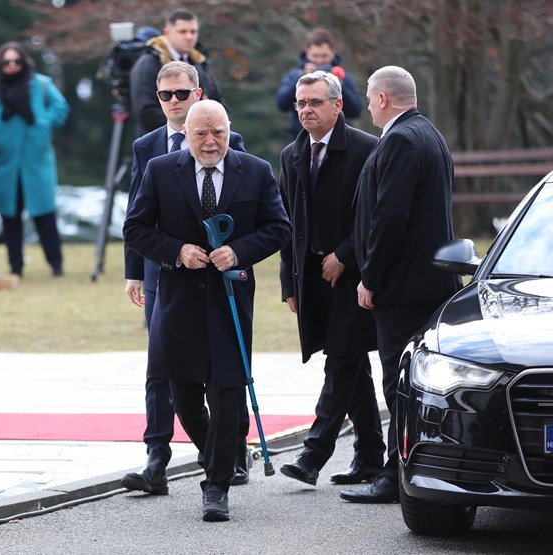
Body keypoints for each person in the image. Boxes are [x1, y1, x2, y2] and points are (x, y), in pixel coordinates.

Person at [123, 100, 291, 522]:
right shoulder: (162, 170)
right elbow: (135, 228)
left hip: (230, 299)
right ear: (187, 134)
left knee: (227, 391)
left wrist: (238, 251)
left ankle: (216, 486)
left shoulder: (254, 170)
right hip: (178, 299)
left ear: (228, 130)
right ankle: (226, 452)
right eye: (201, 133)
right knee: (184, 396)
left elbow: (279, 228)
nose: (211, 141)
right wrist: (177, 251)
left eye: (218, 132)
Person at [122, 62, 253, 496]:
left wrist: (239, 252)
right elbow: (137, 215)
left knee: (224, 372)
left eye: (182, 93)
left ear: (197, 94)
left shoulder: (232, 146)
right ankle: (157, 457)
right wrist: (138, 270)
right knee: (164, 367)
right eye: (166, 95)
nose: (174, 102)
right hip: (166, 273)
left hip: (223, 280)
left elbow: (261, 217)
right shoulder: (148, 150)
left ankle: (230, 453)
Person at [340, 65, 461, 504]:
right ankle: (414, 468)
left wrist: (370, 277)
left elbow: (391, 217)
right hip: (428, 282)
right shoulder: (429, 134)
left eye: (371, 98)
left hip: (404, 286)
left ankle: (396, 475)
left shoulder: (400, 140)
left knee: (399, 381)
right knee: (418, 382)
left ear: (384, 98)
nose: (369, 105)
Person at [277, 71, 386, 488]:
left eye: (315, 102)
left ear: (337, 106)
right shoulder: (291, 154)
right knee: (352, 361)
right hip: (312, 277)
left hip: (355, 273)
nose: (306, 110)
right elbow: (287, 222)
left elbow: (377, 217)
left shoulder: (367, 149)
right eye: (300, 103)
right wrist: (290, 282)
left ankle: (313, 453)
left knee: (340, 359)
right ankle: (370, 456)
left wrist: (345, 254)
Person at [0, 41, 69, 277]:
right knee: (10, 215)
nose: (12, 66)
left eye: (17, 61)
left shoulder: (40, 84)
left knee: (44, 212)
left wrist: (44, 122)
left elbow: (60, 107)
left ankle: (55, 263)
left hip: (35, 157)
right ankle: (15, 266)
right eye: (7, 62)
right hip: (4, 159)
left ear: (24, 62)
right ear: (0, 63)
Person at [129, 9, 225, 136]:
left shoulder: (200, 61)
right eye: (183, 32)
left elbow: (219, 103)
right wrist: (194, 123)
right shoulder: (149, 63)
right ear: (167, 33)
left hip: (203, 142)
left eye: (193, 31)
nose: (189, 37)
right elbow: (145, 112)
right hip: (162, 143)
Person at [276, 28, 362, 140]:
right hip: (301, 138)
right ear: (307, 52)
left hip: (337, 138)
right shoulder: (295, 75)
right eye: (315, 56)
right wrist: (300, 78)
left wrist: (339, 84)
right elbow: (282, 104)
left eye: (324, 56)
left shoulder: (343, 77)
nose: (320, 61)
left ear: (333, 52)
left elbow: (355, 111)